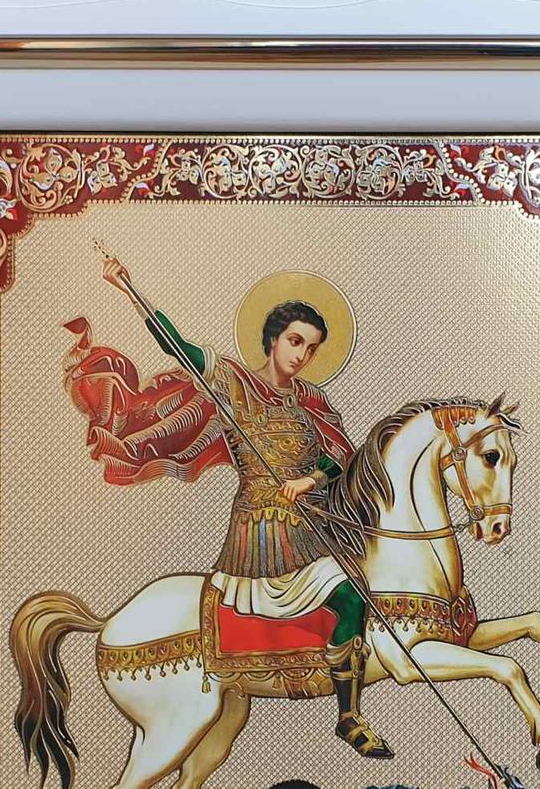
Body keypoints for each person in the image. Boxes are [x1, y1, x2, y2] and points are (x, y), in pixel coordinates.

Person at [102, 257, 393, 760]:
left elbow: (340, 455)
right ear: (273, 339)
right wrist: (130, 289)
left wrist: (311, 479)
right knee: (347, 595)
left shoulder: (310, 399)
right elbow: (178, 346)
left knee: (360, 592)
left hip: (314, 525)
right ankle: (341, 713)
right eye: (295, 341)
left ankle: (348, 712)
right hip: (260, 531)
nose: (302, 355)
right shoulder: (233, 382)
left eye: (312, 347)